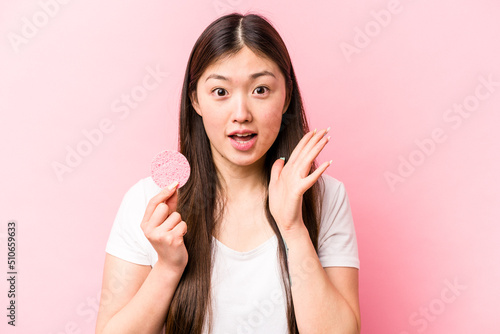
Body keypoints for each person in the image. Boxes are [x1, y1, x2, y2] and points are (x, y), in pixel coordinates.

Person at [96, 12, 360, 334]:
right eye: (220, 92)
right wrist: (168, 267)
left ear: (286, 96)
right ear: (195, 99)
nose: (241, 114)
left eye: (260, 90)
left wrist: (293, 228)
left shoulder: (325, 197)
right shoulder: (152, 202)